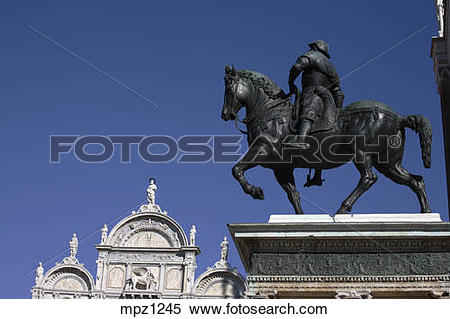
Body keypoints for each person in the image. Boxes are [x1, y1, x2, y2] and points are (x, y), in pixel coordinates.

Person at [287, 40, 344, 187]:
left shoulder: (312, 56)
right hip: (328, 101)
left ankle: (300, 141)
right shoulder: (332, 68)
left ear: (315, 48)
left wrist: (291, 83)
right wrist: (337, 110)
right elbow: (338, 92)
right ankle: (317, 175)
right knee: (318, 133)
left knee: (308, 112)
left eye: (312, 47)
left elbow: (296, 67)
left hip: (312, 93)